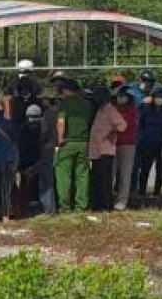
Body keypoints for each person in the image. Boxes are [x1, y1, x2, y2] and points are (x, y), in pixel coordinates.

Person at [53, 79, 93, 213]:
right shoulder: (87, 104)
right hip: (84, 142)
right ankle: (81, 206)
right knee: (82, 176)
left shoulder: (65, 103)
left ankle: (65, 207)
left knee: (63, 176)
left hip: (68, 142)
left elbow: (61, 122)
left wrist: (60, 139)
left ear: (65, 90)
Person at [88, 88, 125, 212]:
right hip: (96, 150)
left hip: (105, 149)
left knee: (104, 180)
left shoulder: (110, 110)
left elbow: (122, 125)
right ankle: (98, 204)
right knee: (97, 178)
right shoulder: (100, 109)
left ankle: (105, 205)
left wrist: (111, 132)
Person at [134, 91, 162, 202]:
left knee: (160, 170)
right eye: (157, 97)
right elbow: (139, 125)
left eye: (161, 98)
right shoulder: (146, 110)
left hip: (161, 144)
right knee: (145, 169)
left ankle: (157, 192)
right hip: (147, 143)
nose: (159, 100)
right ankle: (141, 191)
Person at [110, 86, 139, 211]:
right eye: (118, 96)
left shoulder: (132, 110)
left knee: (125, 174)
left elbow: (125, 125)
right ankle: (109, 197)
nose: (120, 98)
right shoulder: (113, 108)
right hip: (112, 144)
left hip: (127, 144)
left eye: (123, 96)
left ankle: (122, 200)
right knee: (110, 173)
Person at [31, 102, 59, 214]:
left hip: (49, 149)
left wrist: (42, 144)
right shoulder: (66, 110)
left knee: (47, 181)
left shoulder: (49, 114)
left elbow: (44, 133)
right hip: (63, 147)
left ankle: (49, 209)